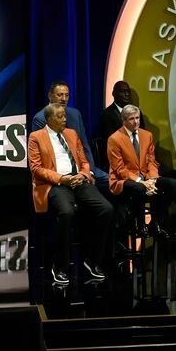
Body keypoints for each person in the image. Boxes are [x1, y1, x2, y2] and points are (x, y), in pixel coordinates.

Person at [30, 103, 113, 288]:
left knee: (106, 209)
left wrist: (82, 175)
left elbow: (84, 161)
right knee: (67, 213)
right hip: (56, 184)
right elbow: (36, 170)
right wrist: (63, 179)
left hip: (78, 180)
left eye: (65, 116)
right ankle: (59, 266)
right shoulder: (36, 137)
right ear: (49, 119)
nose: (65, 119)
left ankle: (91, 261)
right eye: (60, 117)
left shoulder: (72, 134)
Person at [107, 104, 176, 239]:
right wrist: (142, 182)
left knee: (173, 184)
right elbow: (119, 169)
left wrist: (152, 179)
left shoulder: (147, 135)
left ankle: (155, 221)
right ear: (123, 120)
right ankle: (140, 225)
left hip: (146, 177)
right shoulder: (114, 139)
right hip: (123, 180)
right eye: (131, 119)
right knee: (139, 188)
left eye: (137, 118)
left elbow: (152, 162)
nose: (136, 122)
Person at [30, 80, 93, 160]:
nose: (64, 99)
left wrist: (90, 169)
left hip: (82, 165)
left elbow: (85, 145)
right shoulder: (40, 119)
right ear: (50, 96)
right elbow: (46, 154)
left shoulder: (75, 114)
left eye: (67, 95)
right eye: (60, 95)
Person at [97, 80, 149, 170]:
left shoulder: (137, 112)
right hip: (120, 162)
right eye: (123, 91)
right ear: (114, 94)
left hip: (141, 160)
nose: (127, 94)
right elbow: (112, 143)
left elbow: (143, 137)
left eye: (128, 91)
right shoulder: (107, 115)